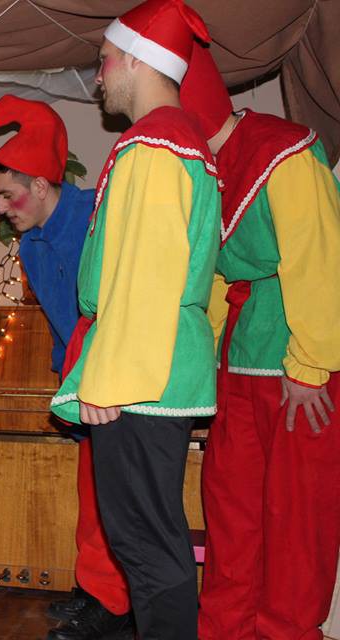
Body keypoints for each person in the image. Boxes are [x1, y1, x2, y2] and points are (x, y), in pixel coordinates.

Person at [49, 1, 221, 637]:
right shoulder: (178, 141)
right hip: (158, 369)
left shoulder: (155, 145)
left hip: (142, 378)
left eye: (104, 60)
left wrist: (109, 381)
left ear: (137, 59)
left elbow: (144, 275)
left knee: (145, 545)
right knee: (149, 539)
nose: (98, 77)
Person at [180, 43, 340, 640]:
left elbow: (320, 257)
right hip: (239, 363)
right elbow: (215, 279)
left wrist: (310, 366)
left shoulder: (284, 150)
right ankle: (224, 630)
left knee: (296, 518)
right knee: (231, 511)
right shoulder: (203, 170)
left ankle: (288, 633)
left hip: (297, 363)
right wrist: (202, 370)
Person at [0, 96, 131, 640]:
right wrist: (66, 384)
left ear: (42, 185)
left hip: (122, 380)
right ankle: (97, 589)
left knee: (117, 498)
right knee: (93, 494)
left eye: (7, 195)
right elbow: (61, 324)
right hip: (83, 382)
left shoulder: (99, 214)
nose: (1, 208)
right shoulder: (31, 247)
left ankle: (116, 605)